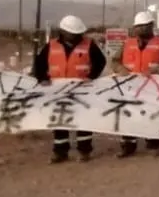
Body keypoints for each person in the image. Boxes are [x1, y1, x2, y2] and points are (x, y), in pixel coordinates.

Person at [31, 15, 105, 163]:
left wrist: (91, 77)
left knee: (83, 121)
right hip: (58, 91)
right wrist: (42, 79)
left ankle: (84, 151)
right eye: (73, 33)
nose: (76, 36)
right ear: (63, 32)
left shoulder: (89, 45)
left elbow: (100, 62)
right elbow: (39, 64)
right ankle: (60, 152)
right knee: (60, 122)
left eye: (78, 33)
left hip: (82, 90)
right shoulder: (51, 46)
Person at [111, 11, 159, 157]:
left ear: (151, 26)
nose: (141, 29)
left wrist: (157, 69)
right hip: (130, 88)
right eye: (138, 27)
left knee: (152, 115)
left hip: (153, 88)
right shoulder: (127, 44)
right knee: (128, 116)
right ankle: (128, 146)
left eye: (145, 26)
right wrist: (120, 68)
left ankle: (153, 144)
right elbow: (114, 61)